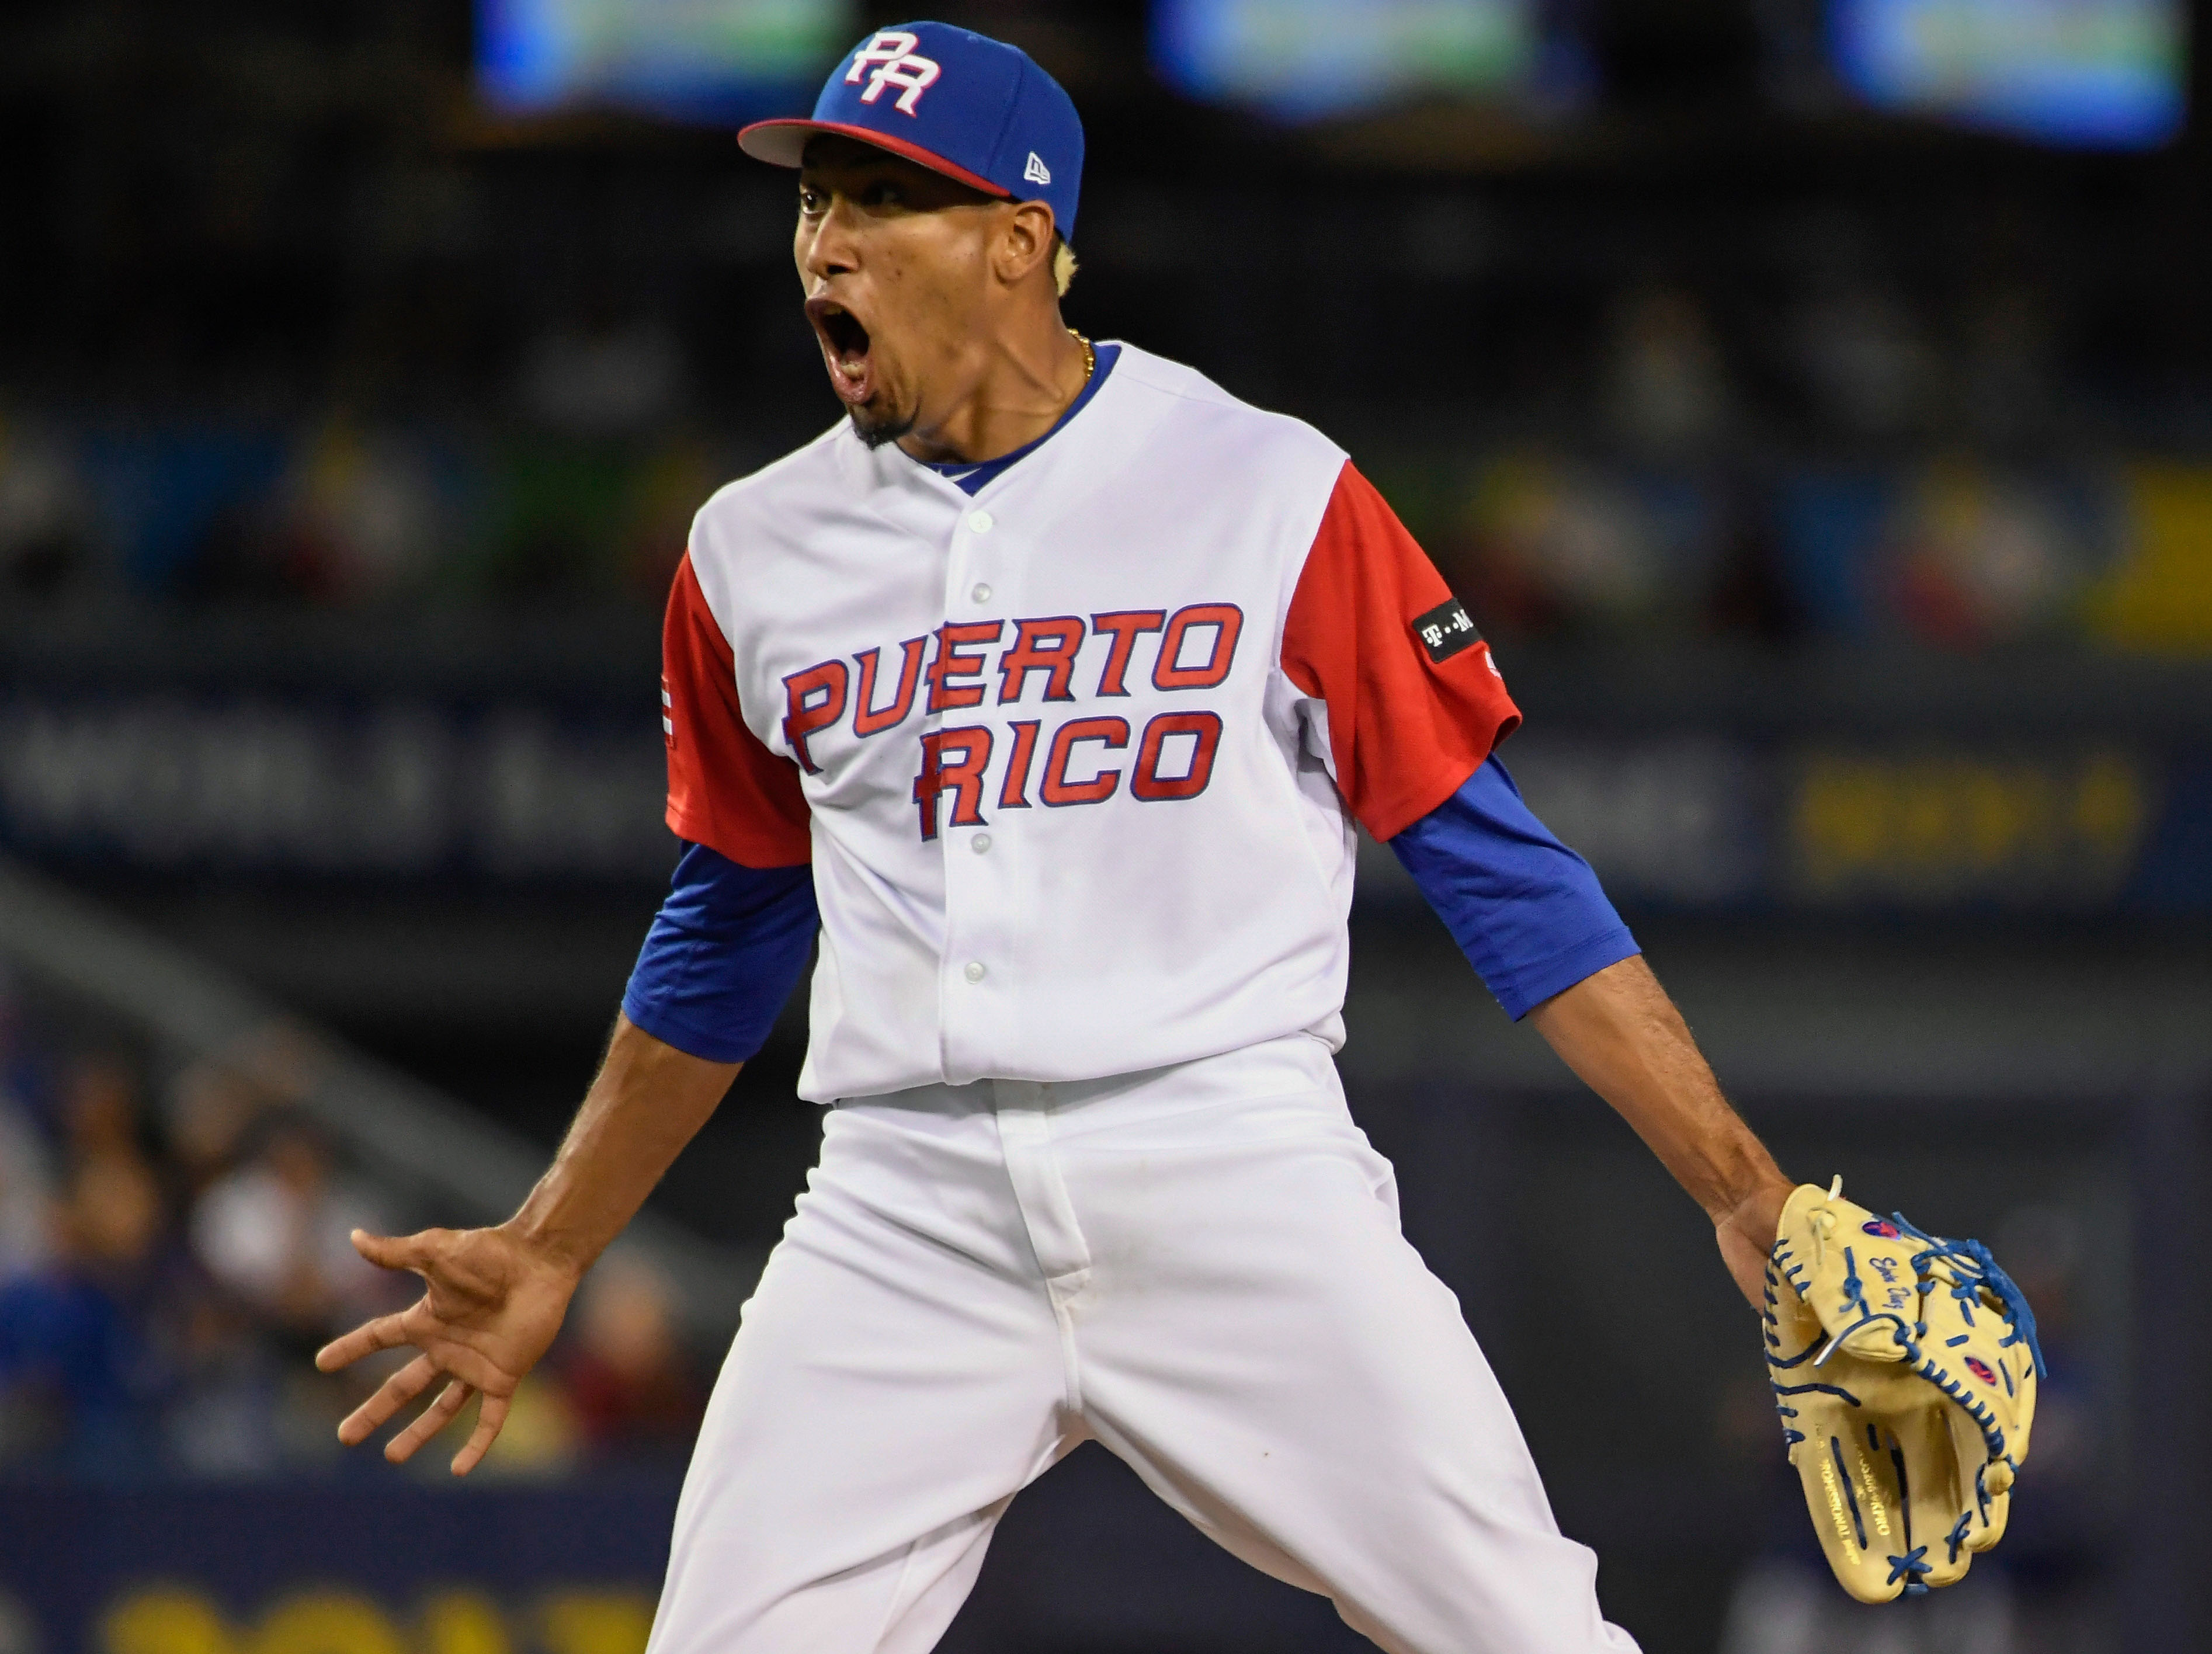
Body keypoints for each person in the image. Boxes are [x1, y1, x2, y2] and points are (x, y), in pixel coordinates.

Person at [318, 25, 1793, 1653]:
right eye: (815, 200)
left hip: (1227, 1163)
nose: (827, 240)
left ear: (1020, 243)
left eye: (885, 199)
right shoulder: (751, 550)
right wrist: (549, 1244)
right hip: (902, 1204)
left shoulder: (1270, 491)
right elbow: (731, 920)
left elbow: (1493, 865)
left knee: (1525, 1635)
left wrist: (1741, 1191)